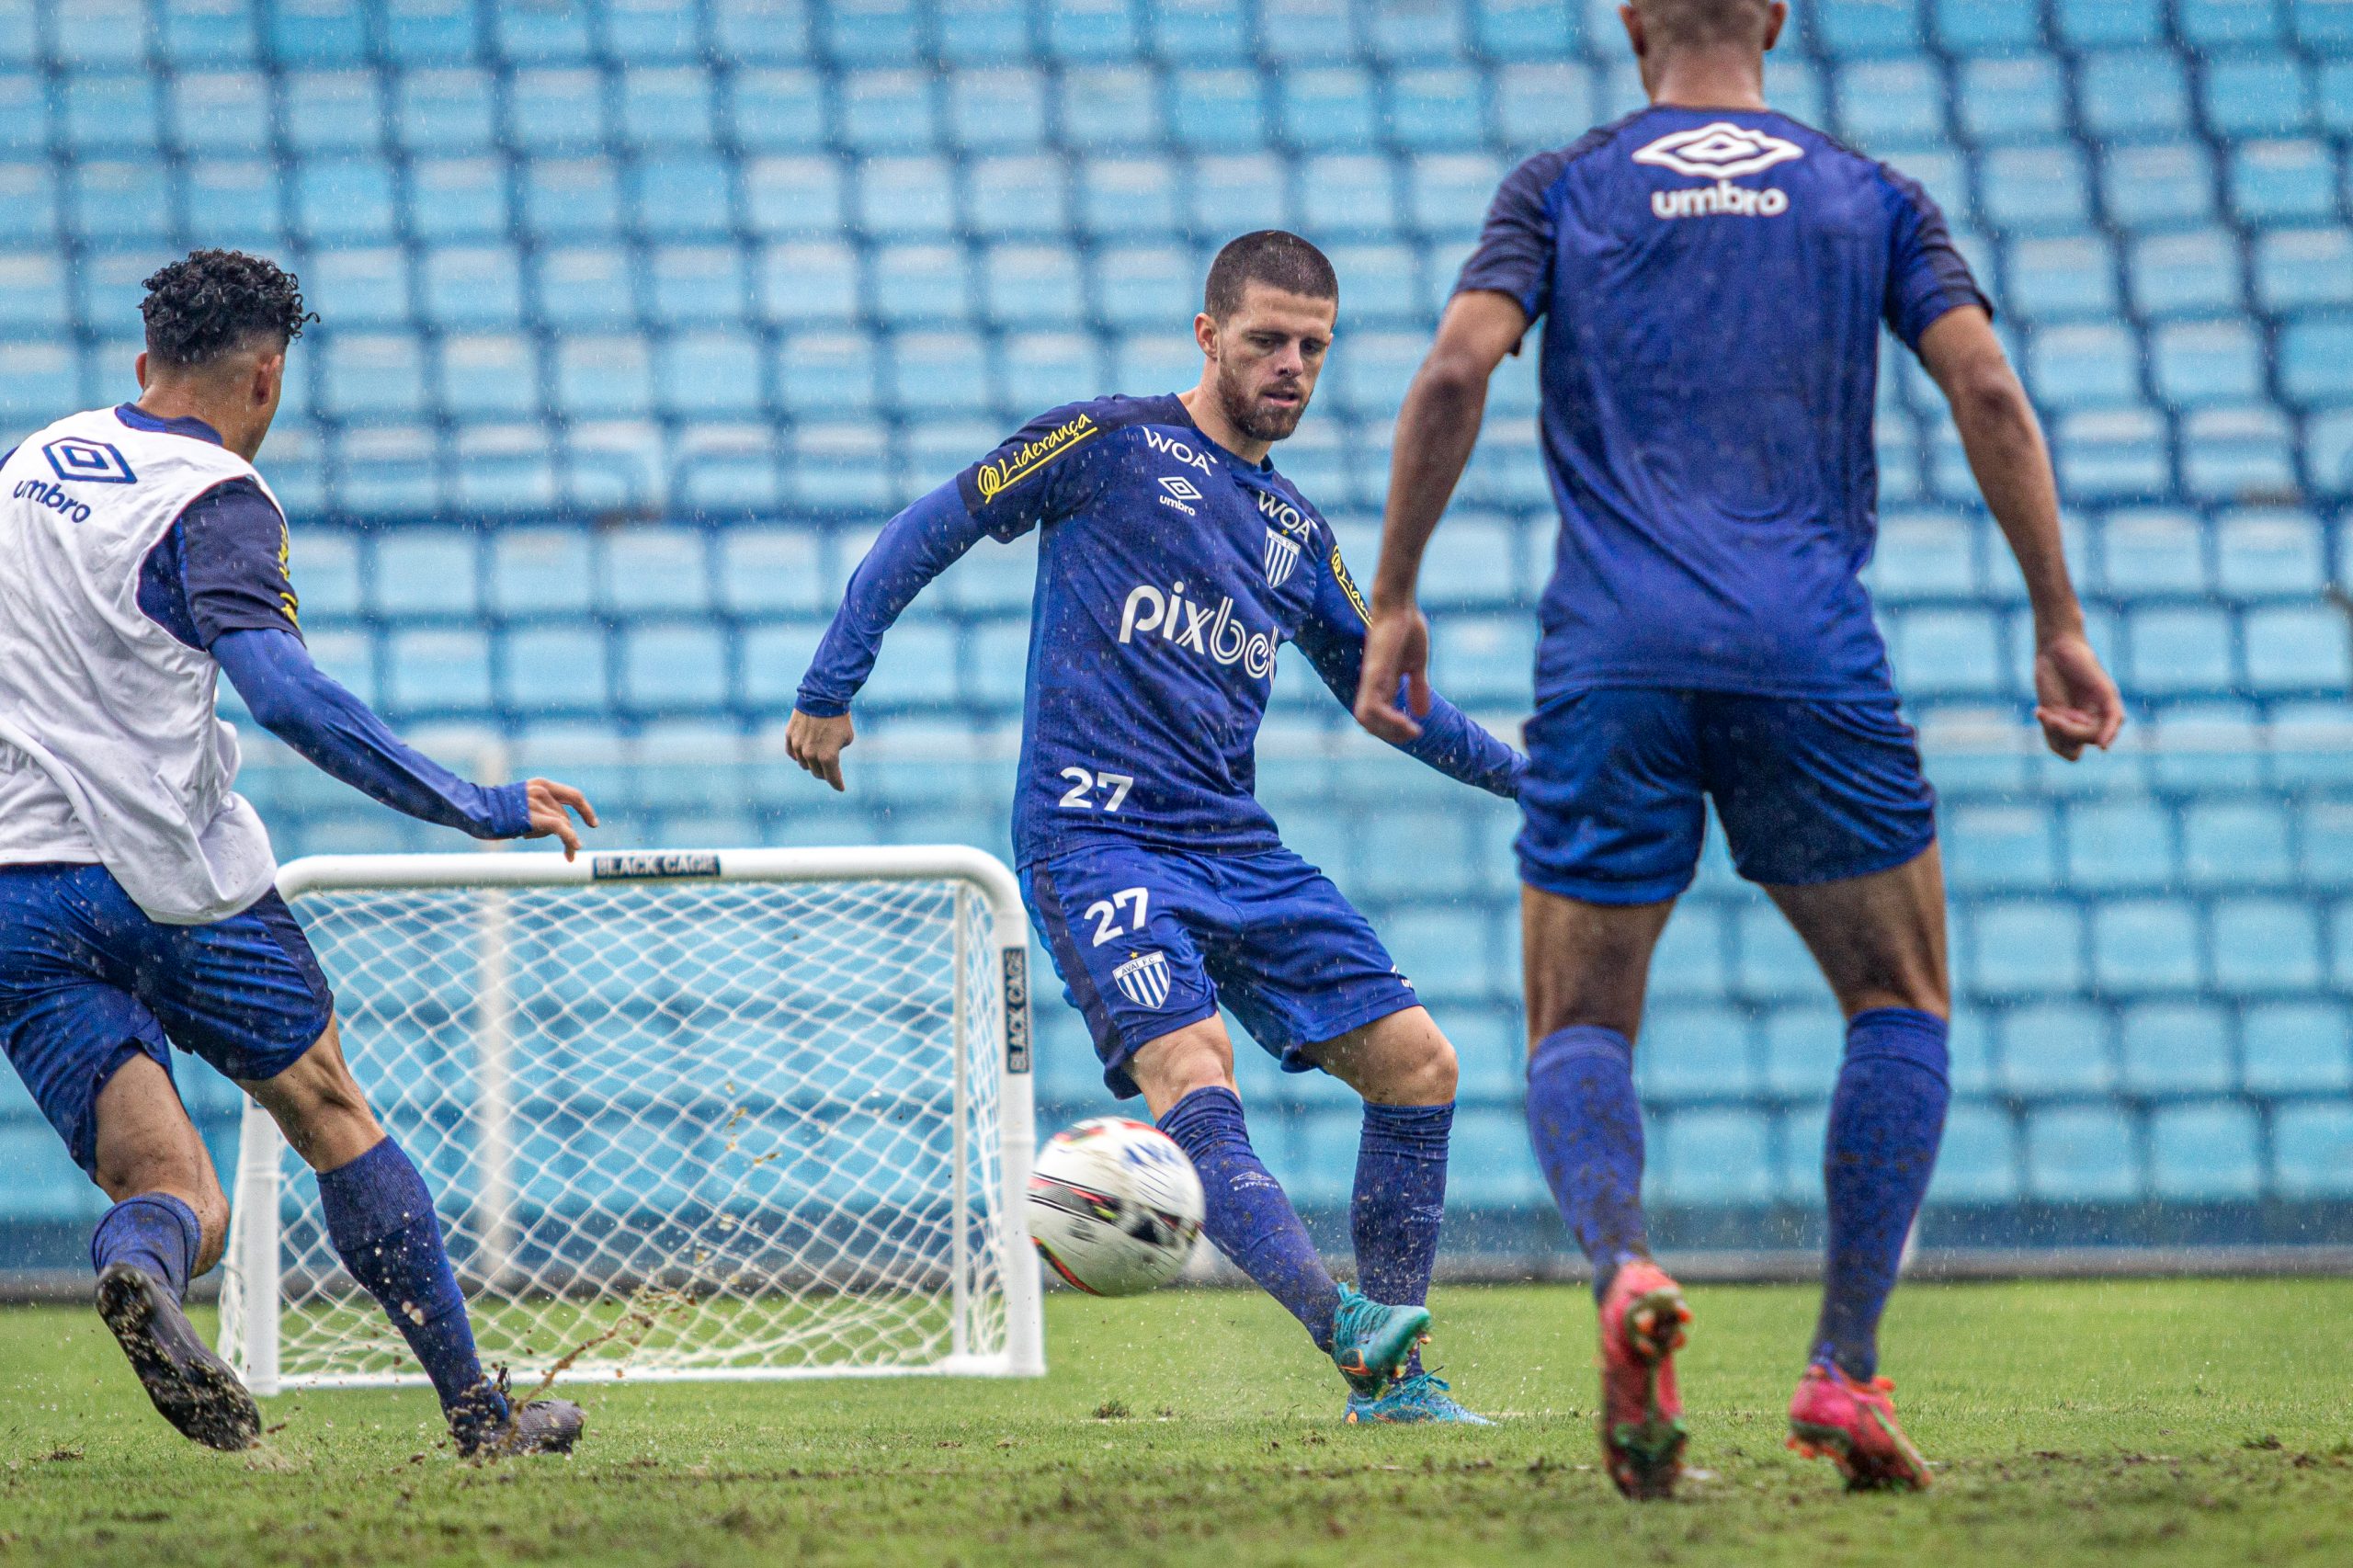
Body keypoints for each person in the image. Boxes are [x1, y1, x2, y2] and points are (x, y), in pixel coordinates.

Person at [1354, 0, 2124, 1495]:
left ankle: (1628, 1277)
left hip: (1612, 655)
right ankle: (1843, 1368)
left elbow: (1454, 372)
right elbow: (1984, 387)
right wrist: (2057, 618)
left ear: (1632, 18)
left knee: (1579, 1020)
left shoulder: (1561, 186)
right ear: (1774, 14)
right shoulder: (1872, 194)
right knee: (1897, 996)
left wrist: (1392, 595)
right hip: (1807, 650)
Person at [788, 232, 1527, 1424]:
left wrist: (1532, 780)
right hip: (1096, 840)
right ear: (1206, 336)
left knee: (1420, 1064)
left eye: (1313, 348)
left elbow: (1388, 700)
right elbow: (940, 519)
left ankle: (1398, 1384)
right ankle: (1351, 1335)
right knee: (1194, 1068)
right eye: (1266, 342)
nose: (1291, 366)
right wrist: (833, 680)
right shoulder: (1108, 444)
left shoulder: (1295, 534)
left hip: (1234, 845)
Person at [0, 250, 597, 1457]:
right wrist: (475, 803)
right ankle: (481, 1419)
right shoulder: (214, 498)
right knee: (328, 1108)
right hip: (169, 880)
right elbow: (288, 699)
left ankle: (145, 1282)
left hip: (17, 891)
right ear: (264, 380)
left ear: (142, 364)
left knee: (177, 1197)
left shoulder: (30, 465)